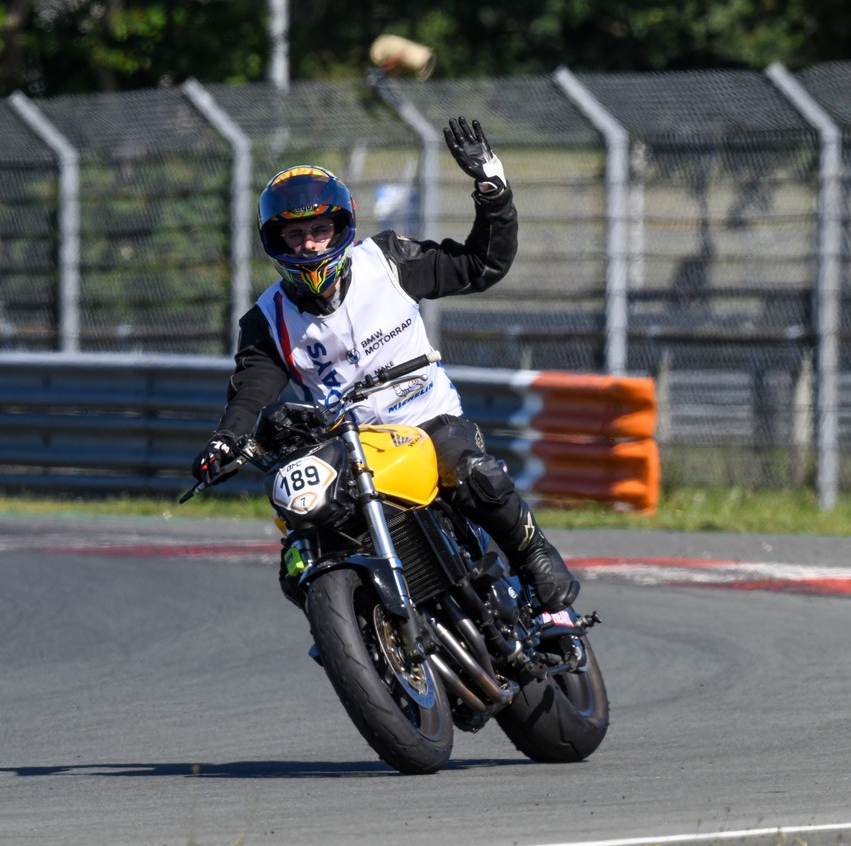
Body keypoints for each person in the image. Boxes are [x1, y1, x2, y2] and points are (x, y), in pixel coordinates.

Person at [190, 118, 579, 615]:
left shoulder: (389, 260)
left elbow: (484, 264)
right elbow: (251, 393)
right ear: (276, 242)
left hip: (427, 420)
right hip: (348, 448)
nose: (309, 244)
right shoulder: (266, 320)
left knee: (476, 476)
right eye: (295, 234)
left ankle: (535, 557)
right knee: (299, 547)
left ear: (342, 227)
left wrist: (491, 189)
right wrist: (227, 439)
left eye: (319, 229)